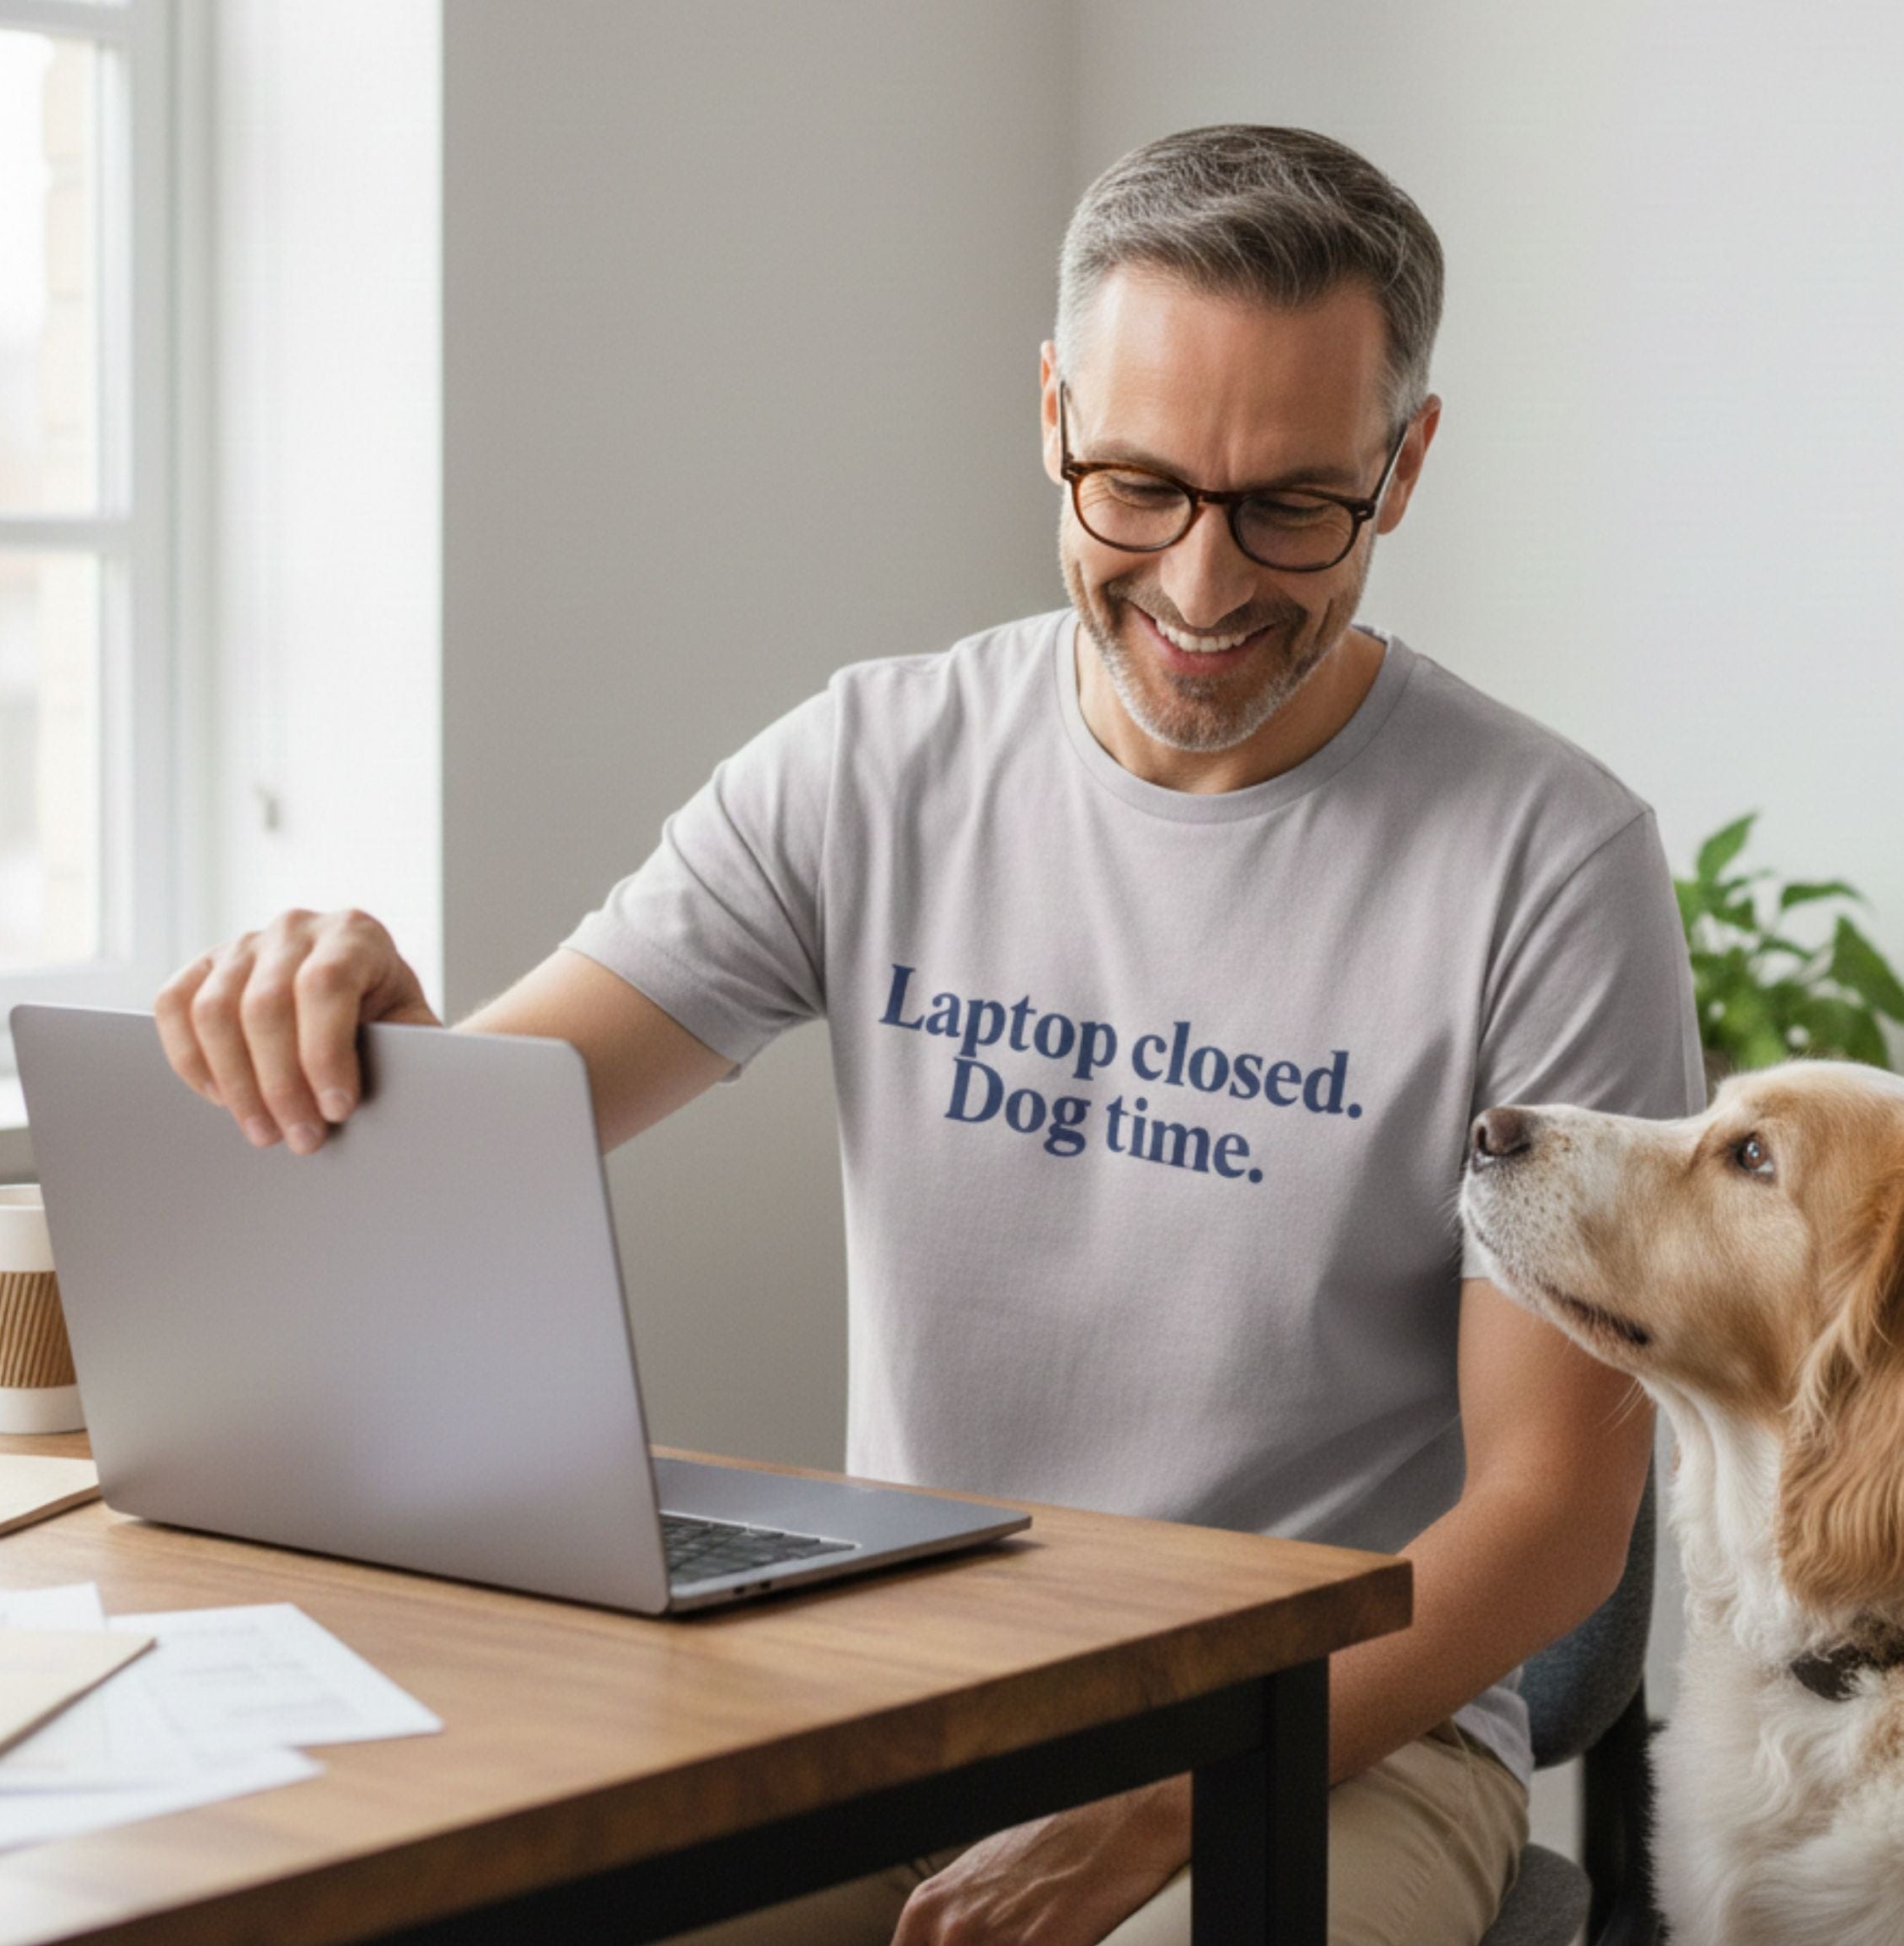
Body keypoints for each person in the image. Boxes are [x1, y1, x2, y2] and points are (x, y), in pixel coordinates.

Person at [154, 126, 1702, 1944]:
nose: (1203, 587)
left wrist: (1163, 1801)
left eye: (1293, 506)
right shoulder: (869, 767)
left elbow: (1552, 1513)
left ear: (1404, 463)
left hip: (1334, 1731)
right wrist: (354, 1017)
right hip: (902, 1683)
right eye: (1137, 487)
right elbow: (475, 1142)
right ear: (1051, 414)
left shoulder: (1546, 860)